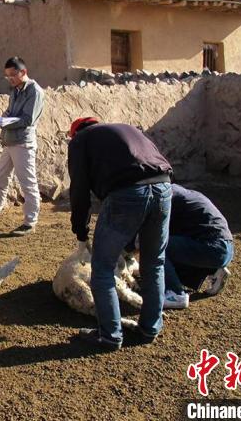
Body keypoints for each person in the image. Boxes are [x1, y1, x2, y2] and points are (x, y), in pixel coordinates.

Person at [68, 117, 173, 351]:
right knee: (154, 262)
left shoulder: (80, 141)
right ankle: (150, 328)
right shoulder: (128, 129)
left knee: (103, 268)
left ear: (74, 133)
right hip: (164, 186)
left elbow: (79, 190)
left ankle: (109, 335)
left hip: (127, 193)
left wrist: (81, 232)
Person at [0, 56, 44, 236]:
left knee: (27, 184)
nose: (10, 79)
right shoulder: (15, 91)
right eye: (7, 76)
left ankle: (30, 222)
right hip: (9, 140)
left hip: (23, 142)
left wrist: (4, 121)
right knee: (0, 180)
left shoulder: (34, 91)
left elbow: (28, 119)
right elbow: (10, 112)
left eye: (13, 75)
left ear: (24, 72)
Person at [160, 184, 234, 309]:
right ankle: (214, 270)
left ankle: (176, 294)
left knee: (156, 247)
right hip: (225, 248)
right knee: (173, 245)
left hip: (212, 248)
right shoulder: (183, 194)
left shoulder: (166, 199)